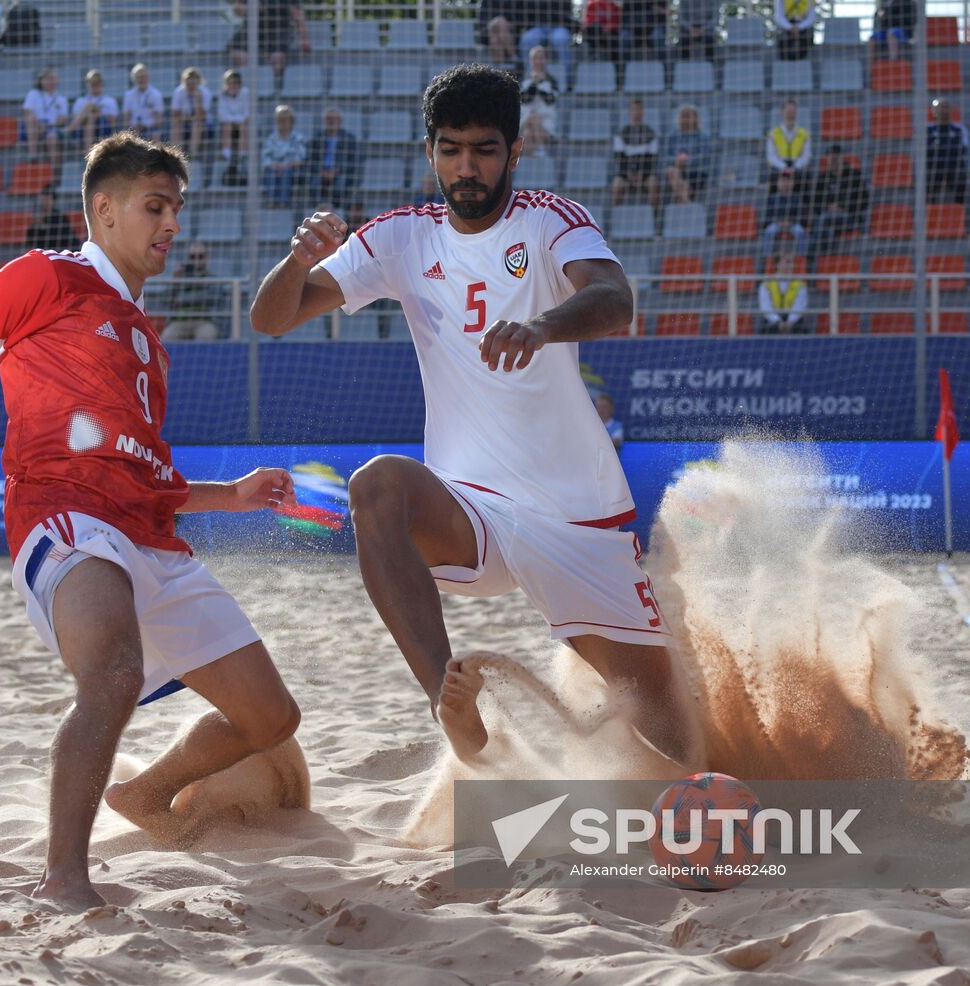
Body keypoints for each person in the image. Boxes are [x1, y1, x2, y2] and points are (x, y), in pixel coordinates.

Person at [0, 131, 302, 910]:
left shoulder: (148, 337)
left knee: (271, 715)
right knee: (111, 675)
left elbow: (148, 479)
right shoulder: (46, 275)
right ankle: (64, 880)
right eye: (156, 206)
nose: (172, 225)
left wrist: (234, 494)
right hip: (65, 518)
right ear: (104, 210)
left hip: (149, 536)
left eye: (176, 209)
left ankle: (144, 796)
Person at [250, 64, 695, 771]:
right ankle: (449, 701)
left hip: (575, 515)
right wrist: (296, 258)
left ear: (514, 153)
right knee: (378, 486)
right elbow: (271, 318)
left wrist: (544, 326)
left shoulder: (550, 220)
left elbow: (615, 298)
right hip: (471, 508)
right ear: (430, 151)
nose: (467, 166)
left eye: (484, 149)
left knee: (675, 731)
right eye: (451, 149)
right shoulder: (401, 237)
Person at [808, 143, 867, 260]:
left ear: (842, 157)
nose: (833, 160)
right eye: (831, 157)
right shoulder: (823, 178)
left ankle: (811, 255)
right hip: (829, 219)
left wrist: (842, 207)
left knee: (823, 220)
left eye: (836, 157)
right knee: (828, 229)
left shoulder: (854, 176)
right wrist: (828, 207)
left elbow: (864, 201)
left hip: (850, 218)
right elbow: (815, 202)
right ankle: (827, 260)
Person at [164, 241, 227, 341]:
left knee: (205, 336)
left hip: (204, 321)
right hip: (180, 322)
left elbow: (210, 297)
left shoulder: (213, 279)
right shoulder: (180, 279)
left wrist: (182, 299)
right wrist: (175, 281)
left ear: (207, 258)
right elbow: (165, 300)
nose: (196, 260)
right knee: (167, 337)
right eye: (193, 257)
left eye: (200, 256)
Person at [227, 0, 309, 75]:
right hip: (251, 29)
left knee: (277, 58)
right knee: (236, 52)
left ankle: (271, 88)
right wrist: (250, 8)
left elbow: (298, 14)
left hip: (279, 31)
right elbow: (237, 9)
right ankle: (250, 83)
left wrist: (304, 40)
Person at [305, 107, 360, 213]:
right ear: (325, 121)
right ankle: (319, 209)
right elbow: (311, 159)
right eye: (329, 118)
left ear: (340, 121)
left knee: (341, 182)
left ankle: (336, 209)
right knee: (314, 182)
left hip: (339, 172)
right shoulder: (317, 138)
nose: (331, 121)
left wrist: (336, 171)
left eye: (334, 118)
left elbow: (352, 162)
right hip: (321, 171)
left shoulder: (349, 139)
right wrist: (321, 171)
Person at [611, 97, 659, 209]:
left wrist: (642, 173)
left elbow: (652, 159)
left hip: (645, 173)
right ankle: (615, 218)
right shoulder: (621, 133)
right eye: (634, 110)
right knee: (617, 185)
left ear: (643, 112)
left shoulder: (650, 133)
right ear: (629, 112)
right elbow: (620, 159)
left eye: (639, 110)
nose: (636, 113)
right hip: (626, 174)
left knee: (653, 184)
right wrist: (629, 174)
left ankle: (655, 220)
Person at [662, 103, 712, 205]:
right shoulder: (672, 136)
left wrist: (687, 161)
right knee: (672, 171)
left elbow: (704, 156)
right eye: (683, 116)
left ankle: (684, 203)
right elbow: (665, 156)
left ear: (695, 119)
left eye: (688, 116)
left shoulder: (703, 137)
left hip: (696, 172)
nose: (685, 119)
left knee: (682, 192)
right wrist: (676, 161)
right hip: (676, 171)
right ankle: (688, 207)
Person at [518, 45, 560, 158]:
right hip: (526, 120)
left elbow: (550, 100)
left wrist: (539, 82)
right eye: (535, 58)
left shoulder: (552, 81)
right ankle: (540, 151)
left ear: (546, 60)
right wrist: (534, 83)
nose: (538, 61)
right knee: (528, 129)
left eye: (541, 58)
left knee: (531, 128)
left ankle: (536, 155)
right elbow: (524, 99)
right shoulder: (524, 80)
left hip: (546, 123)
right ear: (531, 61)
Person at [262, 103, 306, 207]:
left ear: (291, 121)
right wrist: (274, 165)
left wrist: (286, 166)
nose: (283, 122)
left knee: (286, 173)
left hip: (291, 168)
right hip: (274, 168)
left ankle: (283, 202)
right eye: (280, 120)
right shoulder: (272, 138)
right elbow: (265, 156)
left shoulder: (298, 138)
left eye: (286, 120)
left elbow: (300, 157)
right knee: (270, 173)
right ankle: (271, 202)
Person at [519, 0, 575, 81]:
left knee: (562, 39)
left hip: (559, 25)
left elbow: (567, 10)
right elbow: (529, 10)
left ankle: (568, 80)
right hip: (538, 26)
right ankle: (530, 78)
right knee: (527, 39)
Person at [926, 97, 968, 205]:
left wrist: (939, 148)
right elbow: (926, 151)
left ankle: (959, 209)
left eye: (945, 107)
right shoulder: (927, 129)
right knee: (927, 180)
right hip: (933, 166)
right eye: (938, 107)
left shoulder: (959, 129)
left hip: (952, 166)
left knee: (960, 178)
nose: (942, 110)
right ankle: (929, 210)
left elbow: (962, 150)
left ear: (950, 110)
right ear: (933, 110)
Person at [760, 168, 806, 262]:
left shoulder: (797, 198)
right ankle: (767, 260)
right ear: (778, 183)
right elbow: (767, 216)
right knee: (769, 231)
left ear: (793, 183)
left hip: (792, 225)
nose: (786, 183)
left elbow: (801, 216)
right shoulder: (772, 198)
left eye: (788, 180)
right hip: (777, 225)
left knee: (800, 232)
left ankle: (801, 259)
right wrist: (778, 222)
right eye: (783, 180)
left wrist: (791, 222)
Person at [22, 68, 68, 162]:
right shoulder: (33, 94)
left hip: (52, 128)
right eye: (48, 78)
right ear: (41, 81)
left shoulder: (62, 99)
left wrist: (47, 126)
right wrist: (39, 124)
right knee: (30, 119)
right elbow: (27, 111)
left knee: (52, 137)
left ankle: (55, 171)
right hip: (35, 127)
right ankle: (33, 155)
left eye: (54, 78)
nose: (51, 81)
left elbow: (62, 120)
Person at [758, 252, 809, 334]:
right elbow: (765, 307)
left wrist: (790, 321)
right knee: (765, 327)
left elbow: (800, 306)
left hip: (793, 320)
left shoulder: (800, 284)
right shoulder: (766, 284)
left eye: (792, 262)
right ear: (778, 264)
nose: (791, 265)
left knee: (802, 328)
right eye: (787, 262)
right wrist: (778, 322)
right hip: (773, 320)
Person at [68, 70, 120, 150]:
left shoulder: (110, 100)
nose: (95, 84)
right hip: (83, 129)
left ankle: (68, 131)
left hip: (104, 128)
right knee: (91, 116)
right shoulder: (81, 100)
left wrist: (97, 111)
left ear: (102, 83)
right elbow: (78, 120)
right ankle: (88, 152)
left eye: (97, 81)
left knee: (90, 107)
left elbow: (112, 121)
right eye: (92, 81)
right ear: (88, 83)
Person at [766, 98, 812, 185]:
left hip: (797, 167)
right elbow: (771, 157)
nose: (790, 115)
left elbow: (807, 155)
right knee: (772, 176)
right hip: (779, 166)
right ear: (782, 113)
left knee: (806, 176)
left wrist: (795, 167)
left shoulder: (804, 134)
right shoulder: (773, 133)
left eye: (793, 112)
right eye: (788, 112)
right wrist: (783, 167)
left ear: (797, 114)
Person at [169, 67, 211, 161]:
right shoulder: (178, 92)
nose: (190, 86)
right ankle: (175, 153)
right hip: (184, 120)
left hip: (202, 122)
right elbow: (175, 114)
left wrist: (198, 100)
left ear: (198, 82)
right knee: (176, 124)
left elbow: (202, 115)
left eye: (193, 83)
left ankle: (193, 154)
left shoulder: (205, 93)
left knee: (197, 123)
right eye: (188, 82)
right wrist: (188, 118)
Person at [216, 70, 249, 186]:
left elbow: (247, 114)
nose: (233, 85)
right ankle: (227, 154)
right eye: (230, 82)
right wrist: (235, 119)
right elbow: (221, 115)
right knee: (227, 125)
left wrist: (236, 120)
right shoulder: (222, 95)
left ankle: (242, 155)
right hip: (229, 125)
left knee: (244, 125)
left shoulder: (246, 93)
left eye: (236, 82)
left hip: (243, 126)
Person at [26, 184, 78, 251]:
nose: (45, 202)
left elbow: (68, 241)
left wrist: (43, 227)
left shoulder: (61, 218)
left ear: (53, 201)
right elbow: (30, 241)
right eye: (43, 199)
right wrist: (38, 225)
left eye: (47, 199)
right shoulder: (37, 218)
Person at [122, 63, 164, 140]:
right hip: (134, 131)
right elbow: (126, 119)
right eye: (138, 77)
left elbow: (159, 121)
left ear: (148, 77)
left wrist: (145, 127)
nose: (141, 79)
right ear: (133, 78)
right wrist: (133, 128)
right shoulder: (128, 95)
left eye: (143, 77)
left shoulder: (156, 94)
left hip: (151, 130)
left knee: (155, 134)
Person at [477, 0, 521, 70]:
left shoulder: (515, 2)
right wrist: (497, 25)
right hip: (488, 33)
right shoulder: (486, 1)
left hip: (509, 34)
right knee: (499, 23)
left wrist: (504, 26)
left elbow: (520, 21)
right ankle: (513, 56)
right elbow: (483, 22)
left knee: (496, 39)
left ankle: (500, 70)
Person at [581, 0, 622, 66]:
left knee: (613, 38)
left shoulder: (614, 5)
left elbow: (617, 21)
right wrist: (601, 27)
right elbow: (588, 21)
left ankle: (615, 63)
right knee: (594, 29)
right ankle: (593, 55)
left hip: (610, 33)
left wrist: (608, 27)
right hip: (596, 33)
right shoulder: (592, 4)